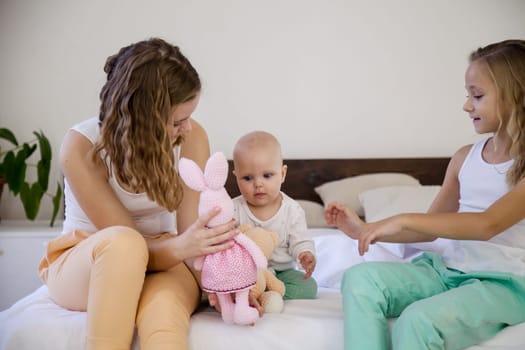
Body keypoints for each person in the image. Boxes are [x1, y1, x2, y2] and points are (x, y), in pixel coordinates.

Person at [37, 37, 241, 350]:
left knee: (163, 313)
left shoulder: (193, 137)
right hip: (90, 259)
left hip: (167, 253)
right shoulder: (81, 148)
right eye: (177, 121)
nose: (187, 129)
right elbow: (132, 247)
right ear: (145, 119)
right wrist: (184, 247)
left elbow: (190, 234)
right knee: (125, 244)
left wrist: (224, 281)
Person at [325, 39, 525, 350]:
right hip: (448, 271)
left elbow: (488, 225)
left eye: (478, 95)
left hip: (504, 285)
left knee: (418, 320)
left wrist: (401, 217)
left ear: (516, 97)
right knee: (360, 279)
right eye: (467, 95)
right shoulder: (463, 158)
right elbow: (429, 228)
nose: (466, 105)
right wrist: (364, 231)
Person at [231, 130, 318, 300]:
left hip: (282, 273)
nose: (258, 184)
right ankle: (254, 293)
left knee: (309, 286)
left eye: (267, 175)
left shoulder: (292, 210)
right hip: (247, 273)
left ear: (282, 174)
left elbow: (300, 240)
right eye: (247, 178)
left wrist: (305, 253)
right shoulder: (233, 209)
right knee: (222, 287)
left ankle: (269, 294)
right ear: (236, 178)